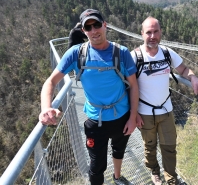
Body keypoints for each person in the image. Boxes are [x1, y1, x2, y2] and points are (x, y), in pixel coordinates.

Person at [39, 9, 139, 185]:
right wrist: (46, 108)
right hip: (95, 120)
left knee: (119, 149)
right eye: (88, 27)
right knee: (96, 166)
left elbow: (134, 85)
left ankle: (117, 177)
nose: (94, 31)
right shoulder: (76, 54)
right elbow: (50, 82)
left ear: (105, 25)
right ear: (83, 31)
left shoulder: (121, 53)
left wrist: (132, 117)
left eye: (97, 25)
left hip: (122, 116)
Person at [130, 16, 198, 185]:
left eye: (156, 31)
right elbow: (128, 87)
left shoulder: (166, 53)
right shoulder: (134, 56)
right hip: (144, 112)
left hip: (166, 109)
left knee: (169, 146)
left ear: (161, 32)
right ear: (142, 34)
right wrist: (133, 114)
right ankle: (154, 172)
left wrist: (193, 77)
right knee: (150, 146)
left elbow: (184, 69)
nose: (152, 36)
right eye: (148, 32)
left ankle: (171, 178)